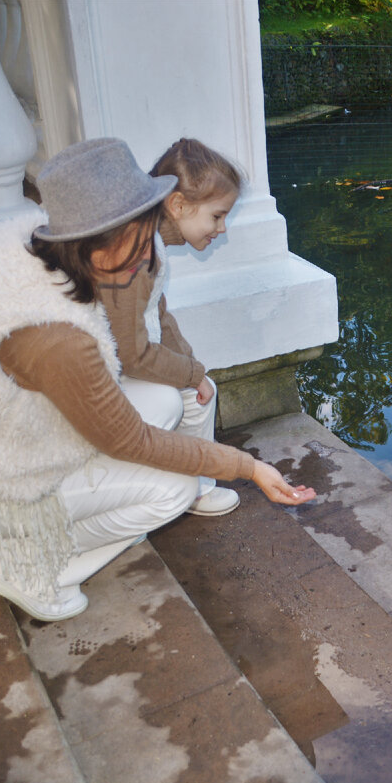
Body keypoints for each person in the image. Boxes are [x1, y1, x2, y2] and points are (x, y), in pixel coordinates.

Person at [0, 137, 316, 623]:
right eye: (139, 241)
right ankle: (26, 562)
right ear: (98, 240)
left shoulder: (40, 248)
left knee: (166, 404)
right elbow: (128, 438)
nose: (146, 259)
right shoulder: (57, 340)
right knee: (171, 491)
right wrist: (248, 466)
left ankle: (51, 527)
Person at [100, 138, 242, 516]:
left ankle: (196, 488)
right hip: (105, 375)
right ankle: (123, 501)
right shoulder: (136, 252)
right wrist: (190, 373)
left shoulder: (149, 241)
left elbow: (158, 315)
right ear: (178, 205)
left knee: (199, 395)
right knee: (169, 401)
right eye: (217, 216)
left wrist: (193, 369)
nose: (222, 228)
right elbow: (131, 354)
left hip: (122, 363)